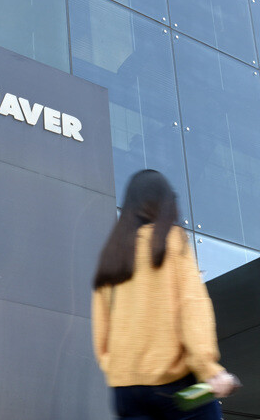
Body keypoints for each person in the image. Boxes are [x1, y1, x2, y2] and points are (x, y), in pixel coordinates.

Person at [92, 169, 238, 419]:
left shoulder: (112, 255)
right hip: (173, 383)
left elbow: (101, 330)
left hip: (125, 390)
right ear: (164, 203)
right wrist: (209, 370)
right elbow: (192, 308)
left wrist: (116, 369)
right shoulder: (172, 241)